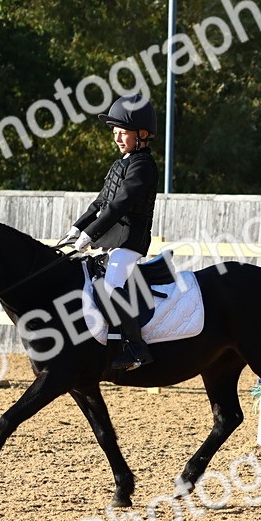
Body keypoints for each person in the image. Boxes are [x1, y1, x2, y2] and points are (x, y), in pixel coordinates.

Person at [59, 93, 159, 371]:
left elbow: (119, 205)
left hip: (130, 240)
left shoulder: (143, 166)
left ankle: (137, 349)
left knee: (112, 286)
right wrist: (76, 227)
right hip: (112, 239)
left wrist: (89, 235)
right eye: (114, 132)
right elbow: (100, 202)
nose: (116, 138)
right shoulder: (121, 164)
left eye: (122, 133)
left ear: (141, 134)